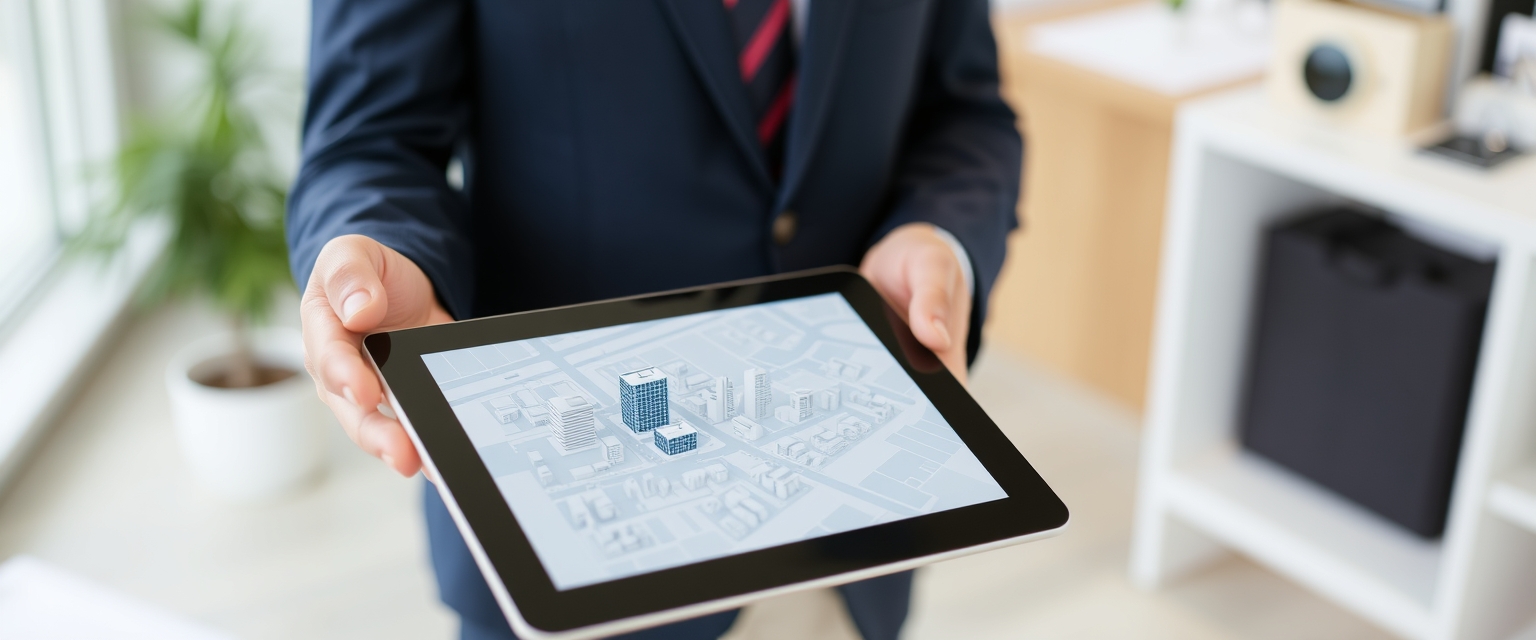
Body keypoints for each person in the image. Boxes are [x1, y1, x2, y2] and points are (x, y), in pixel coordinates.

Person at [287, 0, 1022, 638]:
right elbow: (371, 140)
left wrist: (938, 232)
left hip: (851, 542)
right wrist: (385, 252)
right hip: (576, 554)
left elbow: (964, 112)